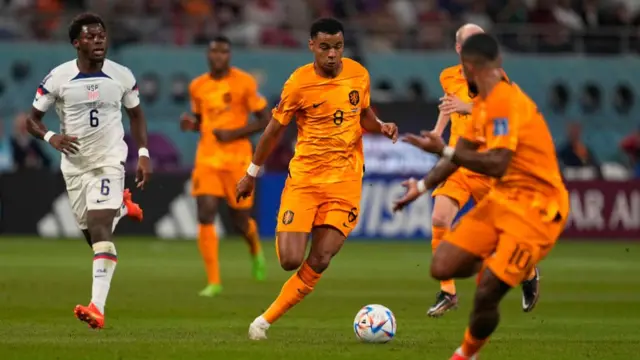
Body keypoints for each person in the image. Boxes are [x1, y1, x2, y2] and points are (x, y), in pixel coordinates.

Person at [402, 33, 569, 360]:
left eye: (466, 71)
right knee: (442, 264)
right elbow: (457, 154)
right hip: (502, 199)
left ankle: (465, 354)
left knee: (487, 291)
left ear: (477, 68)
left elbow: (498, 162)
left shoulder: (505, 101)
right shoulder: (481, 104)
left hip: (537, 207)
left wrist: (446, 148)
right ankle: (460, 286)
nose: (460, 78)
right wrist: (421, 187)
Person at [235, 18, 398, 340]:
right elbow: (272, 131)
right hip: (305, 180)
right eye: (325, 47)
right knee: (290, 259)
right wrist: (251, 173)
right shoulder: (298, 84)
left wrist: (381, 125)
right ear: (312, 46)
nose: (332, 54)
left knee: (321, 258)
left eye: (337, 47)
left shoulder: (358, 74)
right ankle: (299, 233)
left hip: (345, 181)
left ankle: (263, 322)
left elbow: (362, 113)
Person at [393, 24, 539, 317]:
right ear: (459, 48)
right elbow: (448, 106)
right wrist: (436, 133)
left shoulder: (497, 78)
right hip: (458, 163)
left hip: (487, 165)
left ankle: (528, 274)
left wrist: (466, 106)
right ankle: (447, 292)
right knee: (439, 217)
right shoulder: (448, 76)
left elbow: (504, 109)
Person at [26, 13, 150, 329]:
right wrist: (51, 137)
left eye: (102, 36)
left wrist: (144, 154)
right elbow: (32, 120)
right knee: (94, 239)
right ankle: (122, 206)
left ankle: (97, 307)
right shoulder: (58, 78)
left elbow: (136, 116)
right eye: (91, 37)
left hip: (109, 161)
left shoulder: (121, 75)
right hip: (75, 168)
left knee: (100, 230)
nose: (98, 41)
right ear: (76, 43)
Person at [180, 36, 270, 297]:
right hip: (207, 159)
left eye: (224, 52)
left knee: (240, 220)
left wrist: (235, 134)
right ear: (208, 55)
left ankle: (255, 250)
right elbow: (202, 120)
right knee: (205, 212)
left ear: (229, 56)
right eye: (214, 51)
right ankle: (214, 281)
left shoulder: (244, 83)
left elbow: (266, 119)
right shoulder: (197, 86)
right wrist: (191, 125)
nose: (219, 56)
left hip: (237, 160)